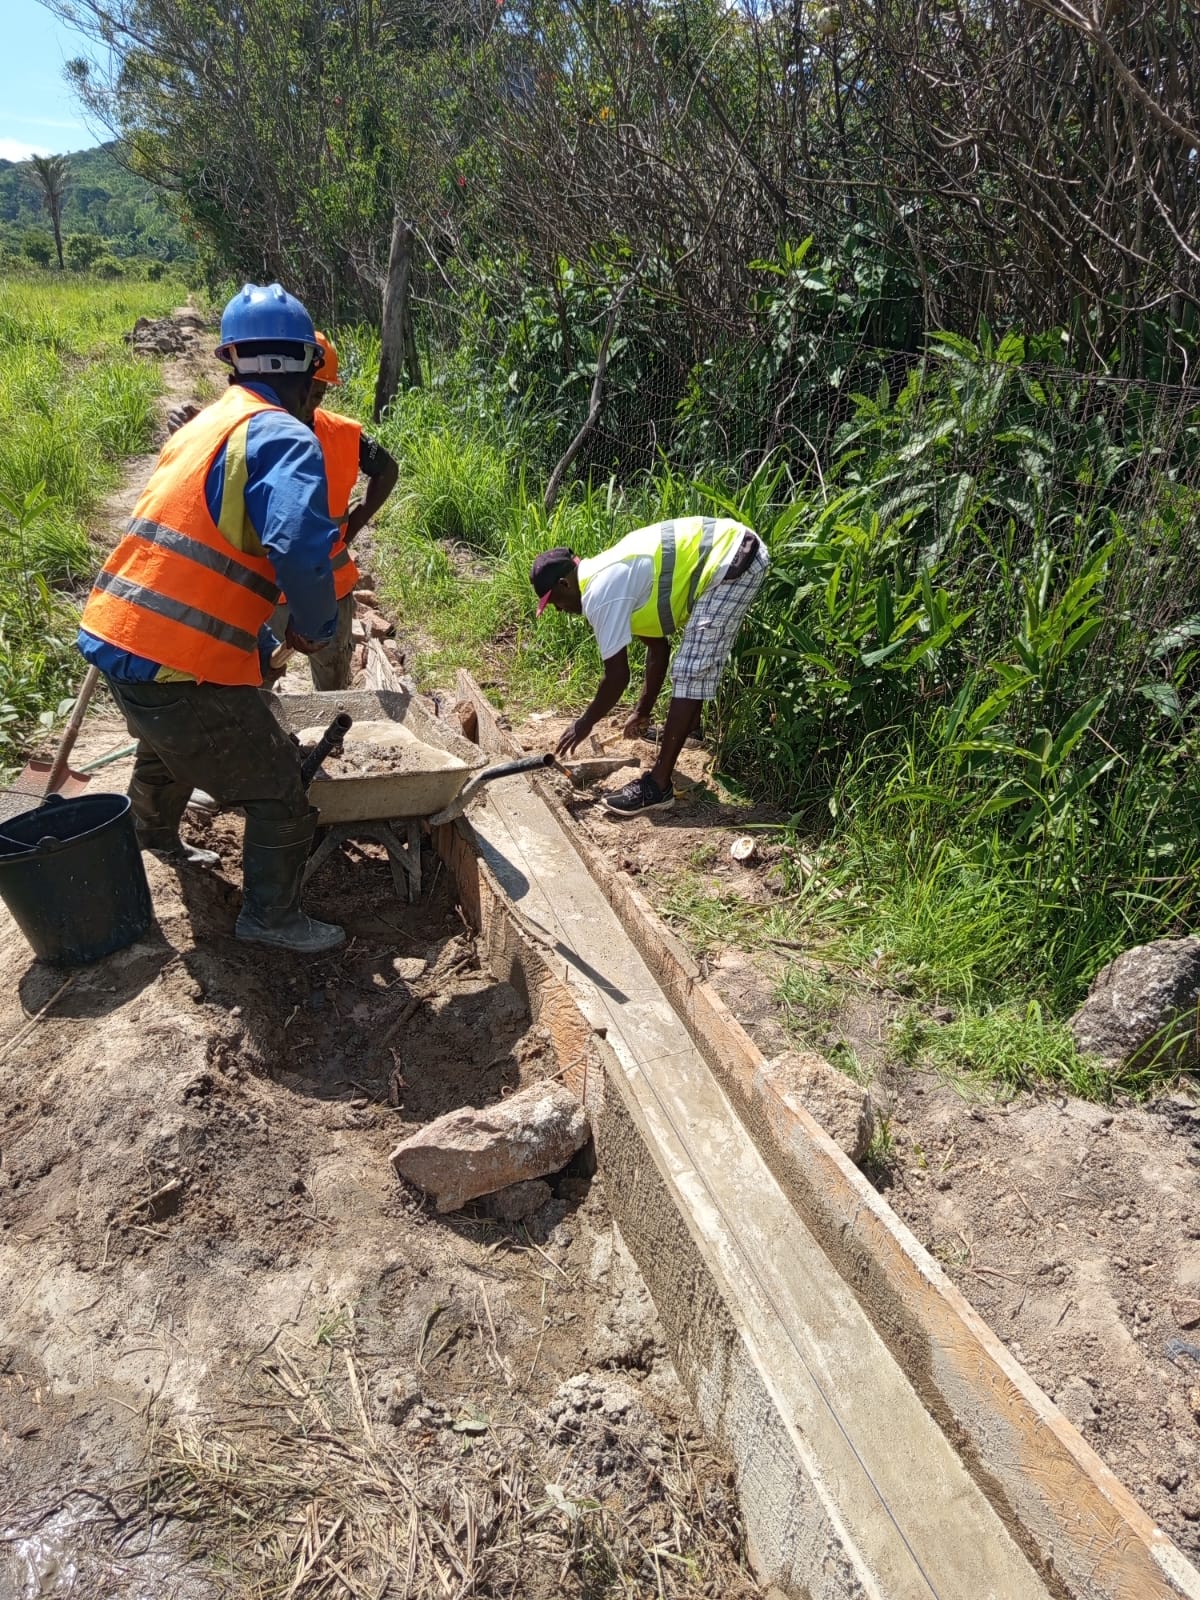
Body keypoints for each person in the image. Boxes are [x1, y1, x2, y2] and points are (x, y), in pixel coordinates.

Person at [77, 281, 346, 953]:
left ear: (234, 359)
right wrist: (314, 629)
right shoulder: (283, 436)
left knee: (168, 740)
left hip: (119, 633)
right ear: (307, 369)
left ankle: (152, 835)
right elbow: (302, 551)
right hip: (174, 656)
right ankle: (271, 917)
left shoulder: (210, 422)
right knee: (280, 786)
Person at [170, 330, 399, 692]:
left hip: (327, 584)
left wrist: (352, 526)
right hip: (261, 590)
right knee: (253, 681)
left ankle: (332, 741)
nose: (307, 403)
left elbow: (387, 469)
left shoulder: (341, 434)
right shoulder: (244, 432)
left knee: (334, 685)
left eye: (319, 394)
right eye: (306, 390)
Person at [530, 515, 769, 815]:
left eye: (555, 602)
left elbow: (617, 677)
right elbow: (658, 648)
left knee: (690, 669)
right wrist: (642, 711)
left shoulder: (600, 593)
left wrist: (584, 723)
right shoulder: (614, 580)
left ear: (565, 583)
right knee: (690, 665)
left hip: (734, 558)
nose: (561, 611)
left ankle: (658, 786)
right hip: (728, 552)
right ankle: (690, 729)